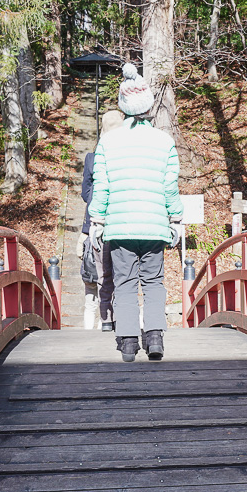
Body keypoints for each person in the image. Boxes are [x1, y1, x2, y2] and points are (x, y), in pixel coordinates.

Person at [88, 63, 183, 362]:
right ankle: (154, 336)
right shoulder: (164, 142)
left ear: (124, 105)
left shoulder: (108, 142)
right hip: (155, 228)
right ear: (148, 105)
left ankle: (128, 342)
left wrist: (97, 220)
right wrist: (176, 219)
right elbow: (171, 188)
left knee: (125, 282)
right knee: (154, 281)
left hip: (120, 228)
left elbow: (101, 186)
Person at [77, 110, 125, 330]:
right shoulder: (127, 155)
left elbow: (86, 192)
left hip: (94, 225)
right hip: (119, 225)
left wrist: (98, 202)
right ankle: (111, 322)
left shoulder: (93, 158)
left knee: (94, 282)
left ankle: (94, 329)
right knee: (115, 277)